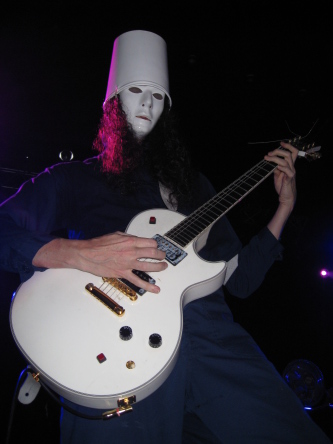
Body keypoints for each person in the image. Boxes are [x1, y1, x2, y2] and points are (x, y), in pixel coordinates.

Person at [1, 30, 331, 444]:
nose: (146, 103)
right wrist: (79, 253)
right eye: (136, 90)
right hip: (117, 352)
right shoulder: (77, 179)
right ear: (112, 104)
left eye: (158, 96)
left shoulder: (196, 188)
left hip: (215, 345)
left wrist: (283, 208)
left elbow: (242, 282)